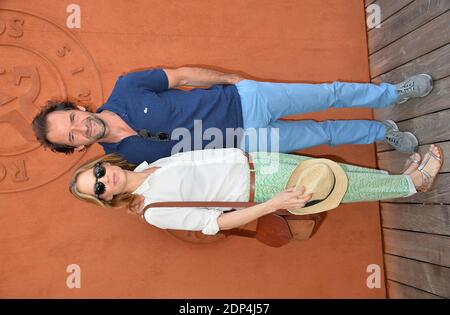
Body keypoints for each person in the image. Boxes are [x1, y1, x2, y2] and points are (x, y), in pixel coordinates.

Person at [32, 66, 433, 164]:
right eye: (71, 136)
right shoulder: (124, 159)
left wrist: (236, 80)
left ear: (77, 108)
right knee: (322, 134)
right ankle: (382, 130)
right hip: (246, 145)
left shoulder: (127, 87)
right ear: (78, 147)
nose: (79, 128)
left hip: (247, 102)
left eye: (70, 119)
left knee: (327, 94)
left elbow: (185, 73)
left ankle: (393, 92)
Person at [69, 144, 443, 235]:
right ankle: (415, 183)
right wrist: (274, 203)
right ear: (105, 199)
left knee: (334, 172)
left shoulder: (151, 166)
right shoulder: (152, 211)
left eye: (98, 172)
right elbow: (216, 224)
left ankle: (400, 180)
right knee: (340, 187)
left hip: (257, 160)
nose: (104, 180)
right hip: (260, 184)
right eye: (98, 188)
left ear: (105, 164)